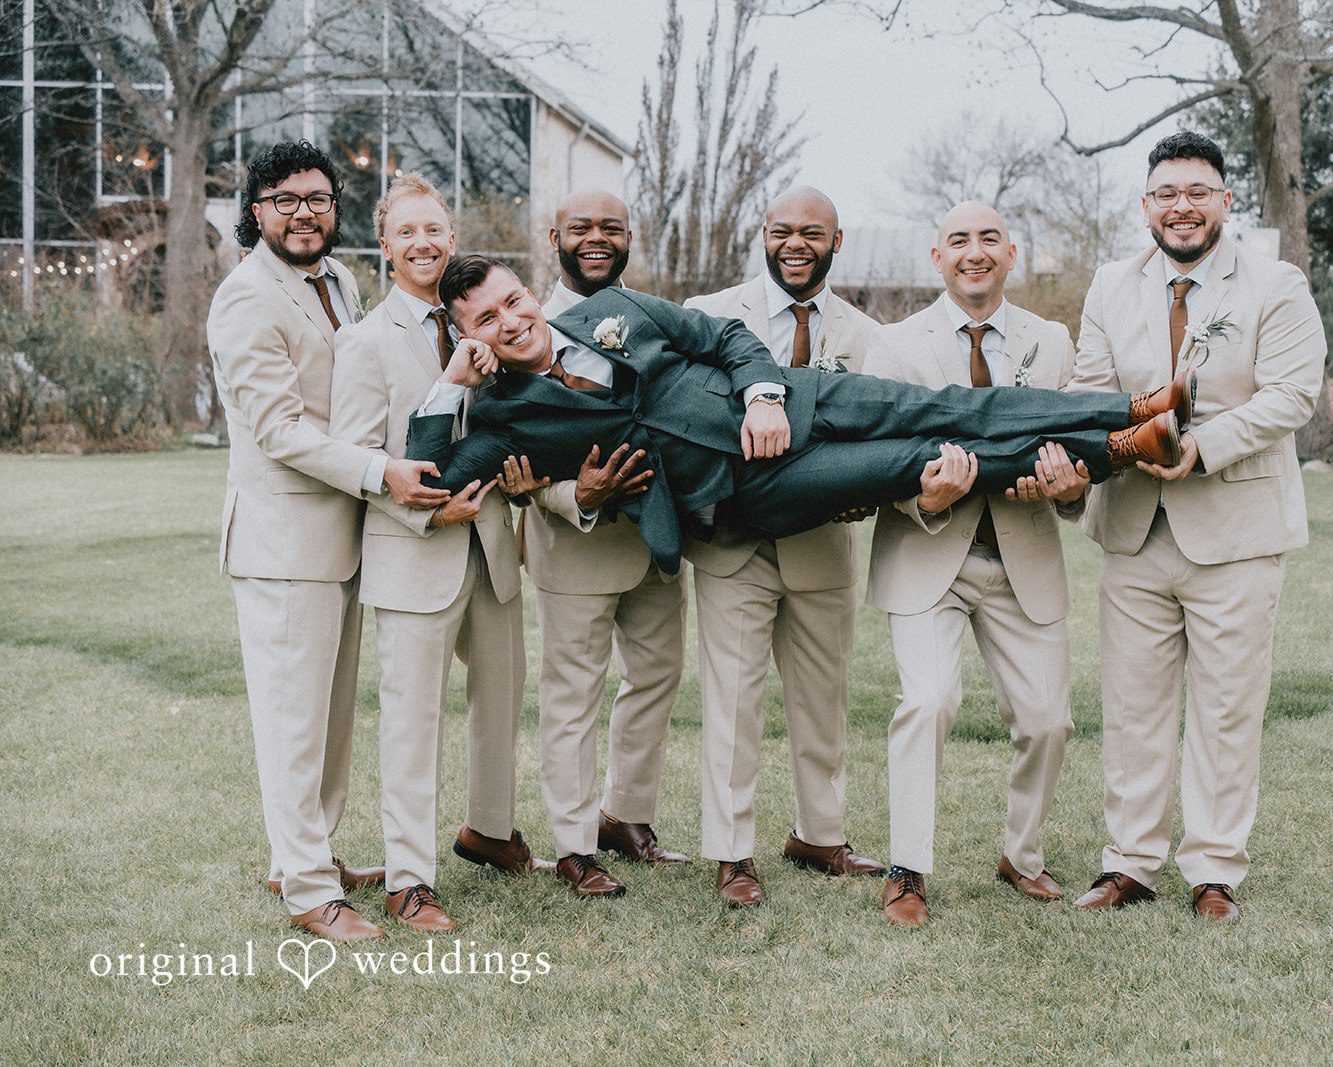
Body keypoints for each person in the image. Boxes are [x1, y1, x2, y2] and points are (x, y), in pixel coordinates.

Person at [407, 255, 1189, 576]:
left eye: (513, 300)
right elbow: (434, 477)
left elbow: (726, 337)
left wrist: (762, 395)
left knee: (956, 405)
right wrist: (450, 382)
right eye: (486, 321)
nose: (510, 321)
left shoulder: (610, 307)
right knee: (920, 458)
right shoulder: (504, 420)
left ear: (529, 292)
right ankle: (1121, 447)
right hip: (746, 490)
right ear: (468, 335)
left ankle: (1128, 408)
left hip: (802, 396)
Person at [1067, 132, 1326, 923]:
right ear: (1146, 205)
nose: (1182, 206)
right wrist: (1105, 450)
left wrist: (1202, 446)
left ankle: (1214, 869)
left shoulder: (1276, 284)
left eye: (1198, 192)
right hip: (1133, 528)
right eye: (1166, 193)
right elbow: (1089, 391)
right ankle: (1130, 862)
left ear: (1225, 200)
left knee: (1226, 709)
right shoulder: (1111, 285)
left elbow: (1293, 393)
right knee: (1132, 707)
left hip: (1236, 531)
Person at [206, 140, 447, 943]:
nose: (303, 212)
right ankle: (309, 891)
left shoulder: (338, 279)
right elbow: (279, 431)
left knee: (332, 719)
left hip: (343, 535)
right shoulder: (246, 299)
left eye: (317, 197)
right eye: (285, 200)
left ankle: (304, 857)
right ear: (257, 211)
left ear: (336, 207)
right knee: (293, 723)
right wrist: (383, 471)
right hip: (283, 545)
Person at [864, 201, 1112, 927]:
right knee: (929, 701)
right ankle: (907, 869)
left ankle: (1022, 856)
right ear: (937, 258)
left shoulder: (1052, 342)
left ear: (1011, 254)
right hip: (927, 552)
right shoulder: (894, 345)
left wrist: (1071, 491)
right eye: (959, 241)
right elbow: (872, 456)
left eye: (989, 239)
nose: (974, 252)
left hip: (1021, 558)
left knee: (1049, 720)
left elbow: (1077, 449)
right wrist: (922, 497)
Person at [328, 173, 549, 933]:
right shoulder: (363, 342)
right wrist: (425, 510)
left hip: (490, 546)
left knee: (502, 697)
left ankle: (490, 829)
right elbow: (356, 457)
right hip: (413, 552)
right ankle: (408, 880)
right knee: (411, 719)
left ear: (451, 239)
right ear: (385, 247)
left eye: (434, 229)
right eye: (406, 232)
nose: (422, 242)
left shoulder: (483, 323)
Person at [683, 187, 885, 906]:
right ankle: (732, 853)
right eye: (781, 231)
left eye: (811, 233)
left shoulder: (869, 335)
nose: (794, 244)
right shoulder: (709, 313)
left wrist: (865, 490)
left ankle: (819, 834)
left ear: (837, 241)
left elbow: (878, 432)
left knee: (824, 699)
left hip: (822, 542)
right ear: (762, 234)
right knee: (733, 703)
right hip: (732, 542)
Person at [515, 189, 692, 899]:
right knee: (572, 697)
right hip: (574, 543)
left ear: (629, 238)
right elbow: (511, 460)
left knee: (657, 677)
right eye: (581, 227)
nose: (597, 238)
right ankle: (574, 846)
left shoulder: (651, 319)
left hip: (656, 538)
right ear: (553, 236)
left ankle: (626, 816)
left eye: (611, 228)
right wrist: (576, 496)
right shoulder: (524, 326)